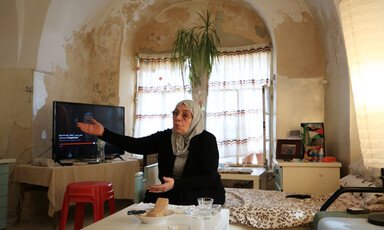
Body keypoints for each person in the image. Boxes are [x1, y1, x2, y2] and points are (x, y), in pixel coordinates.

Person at [77, 100, 226, 205]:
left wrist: (176, 184)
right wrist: (104, 133)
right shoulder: (166, 137)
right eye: (175, 113)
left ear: (195, 119)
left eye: (185, 115)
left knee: (189, 198)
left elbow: (207, 177)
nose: (177, 118)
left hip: (203, 190)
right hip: (173, 189)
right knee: (151, 196)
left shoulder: (207, 140)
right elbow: (137, 145)